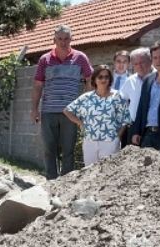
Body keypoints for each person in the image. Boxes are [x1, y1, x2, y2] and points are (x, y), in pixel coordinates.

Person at [31, 24, 93, 180]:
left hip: (71, 113)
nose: (63, 42)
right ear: (54, 39)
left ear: (71, 39)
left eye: (66, 39)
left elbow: (89, 80)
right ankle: (51, 181)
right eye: (59, 39)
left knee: (68, 149)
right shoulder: (45, 59)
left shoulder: (80, 58)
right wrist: (34, 109)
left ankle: (66, 182)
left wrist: (85, 105)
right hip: (48, 111)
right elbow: (38, 85)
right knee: (49, 149)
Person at [63, 65, 131, 167]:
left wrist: (117, 137)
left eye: (106, 77)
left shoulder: (117, 96)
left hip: (110, 142)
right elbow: (67, 110)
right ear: (94, 79)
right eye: (100, 77)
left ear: (110, 79)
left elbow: (126, 119)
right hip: (90, 142)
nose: (103, 79)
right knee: (90, 174)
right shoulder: (86, 97)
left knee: (110, 173)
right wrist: (80, 123)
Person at [118, 47, 154, 146]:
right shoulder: (130, 80)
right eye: (136, 64)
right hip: (133, 127)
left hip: (152, 127)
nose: (139, 66)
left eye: (142, 62)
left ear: (150, 61)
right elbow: (121, 100)